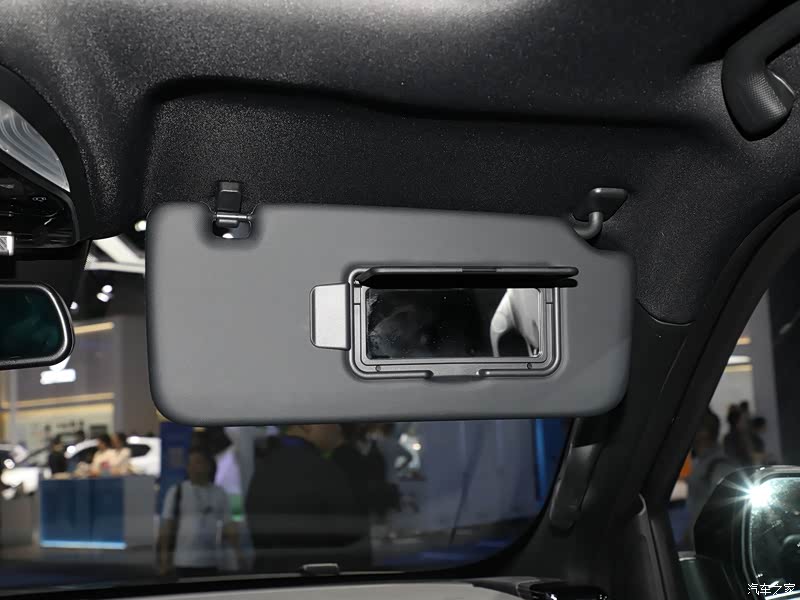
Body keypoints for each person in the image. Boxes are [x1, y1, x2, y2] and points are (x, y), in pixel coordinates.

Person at [245, 424, 369, 572]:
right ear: (307, 425)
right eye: (330, 419)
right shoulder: (322, 471)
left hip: (270, 578)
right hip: (318, 578)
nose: (337, 428)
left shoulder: (263, 470)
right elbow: (353, 530)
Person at [158, 448, 240, 578]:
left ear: (208, 466)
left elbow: (228, 525)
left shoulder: (219, 493)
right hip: (183, 562)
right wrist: (164, 559)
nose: (192, 467)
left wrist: (238, 553)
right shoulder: (177, 491)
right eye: (190, 463)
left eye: (197, 462)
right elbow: (167, 526)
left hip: (210, 562)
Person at [684, 409, 737, 548]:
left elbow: (726, 513)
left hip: (711, 546)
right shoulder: (701, 463)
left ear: (704, 432)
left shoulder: (720, 466)